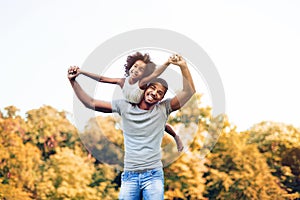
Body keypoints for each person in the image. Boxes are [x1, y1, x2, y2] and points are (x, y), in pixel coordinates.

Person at [68, 54, 195, 200]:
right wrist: (73, 81)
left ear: (162, 98)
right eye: (152, 88)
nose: (154, 93)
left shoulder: (163, 108)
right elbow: (90, 102)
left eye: (160, 93)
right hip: (130, 175)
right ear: (145, 87)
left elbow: (189, 91)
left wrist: (183, 66)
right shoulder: (124, 106)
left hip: (153, 175)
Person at [73, 52, 183, 152]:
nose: (136, 70)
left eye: (141, 70)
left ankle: (176, 136)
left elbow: (155, 74)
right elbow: (102, 79)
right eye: (135, 66)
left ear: (144, 75)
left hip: (144, 106)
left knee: (161, 123)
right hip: (132, 107)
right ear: (130, 66)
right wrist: (81, 72)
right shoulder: (122, 81)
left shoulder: (142, 83)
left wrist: (168, 62)